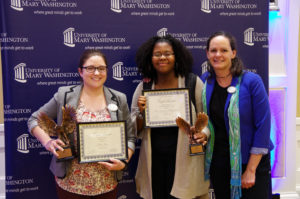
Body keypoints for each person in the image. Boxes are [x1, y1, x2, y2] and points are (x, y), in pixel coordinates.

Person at [27, 49, 136, 199]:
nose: (96, 73)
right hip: (71, 182)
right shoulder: (64, 95)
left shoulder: (119, 98)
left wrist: (123, 162)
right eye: (90, 68)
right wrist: (47, 142)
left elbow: (130, 137)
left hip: (106, 181)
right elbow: (34, 120)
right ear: (80, 71)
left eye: (101, 68)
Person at [131, 35, 210, 199]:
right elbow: (133, 130)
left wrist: (204, 134)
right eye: (157, 54)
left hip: (185, 159)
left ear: (176, 56)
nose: (162, 57)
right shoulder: (143, 87)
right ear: (150, 58)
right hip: (154, 161)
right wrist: (141, 113)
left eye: (167, 53)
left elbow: (207, 120)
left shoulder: (193, 83)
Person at [199, 31, 273, 199]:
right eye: (213, 50)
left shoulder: (252, 81)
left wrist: (250, 170)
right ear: (207, 54)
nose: (218, 55)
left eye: (224, 50)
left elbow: (263, 125)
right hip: (220, 163)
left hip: (251, 162)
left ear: (233, 53)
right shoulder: (204, 81)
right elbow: (206, 121)